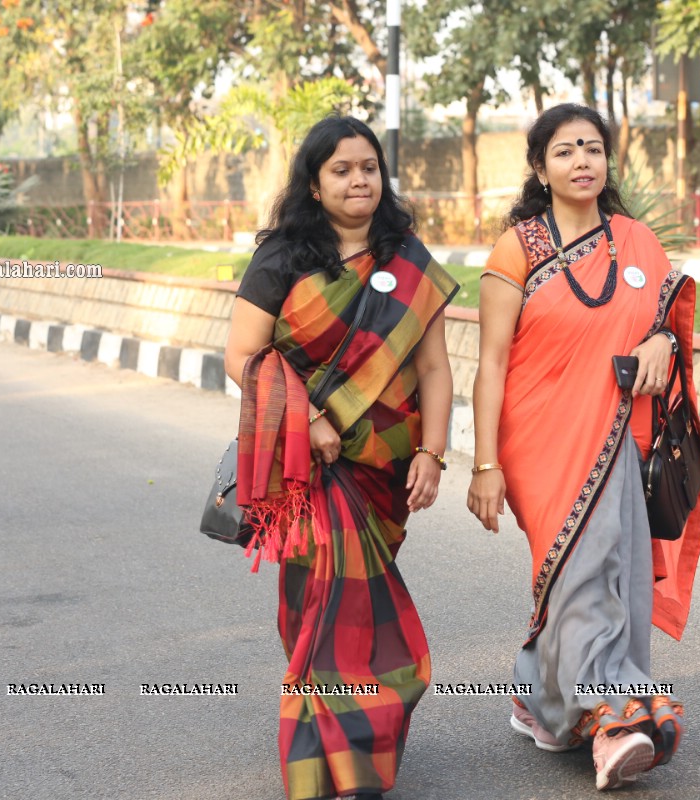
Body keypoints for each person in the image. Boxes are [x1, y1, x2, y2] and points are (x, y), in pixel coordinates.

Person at [466, 103, 700, 790]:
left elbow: (669, 321)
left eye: (594, 148)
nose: (582, 161)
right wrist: (484, 463)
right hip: (539, 441)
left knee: (608, 576)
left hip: (622, 439)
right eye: (566, 150)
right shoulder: (518, 248)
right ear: (540, 168)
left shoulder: (635, 241)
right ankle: (614, 721)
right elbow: (490, 364)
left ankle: (547, 701)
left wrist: (663, 341)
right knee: (580, 571)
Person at [224, 114, 457, 800]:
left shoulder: (408, 257)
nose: (359, 180)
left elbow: (436, 368)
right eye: (342, 169)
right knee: (326, 598)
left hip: (382, 464)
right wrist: (312, 416)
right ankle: (343, 758)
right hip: (303, 462)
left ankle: (342, 740)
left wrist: (435, 454)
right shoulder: (281, 258)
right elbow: (242, 356)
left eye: (368, 167)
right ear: (315, 183)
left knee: (339, 605)